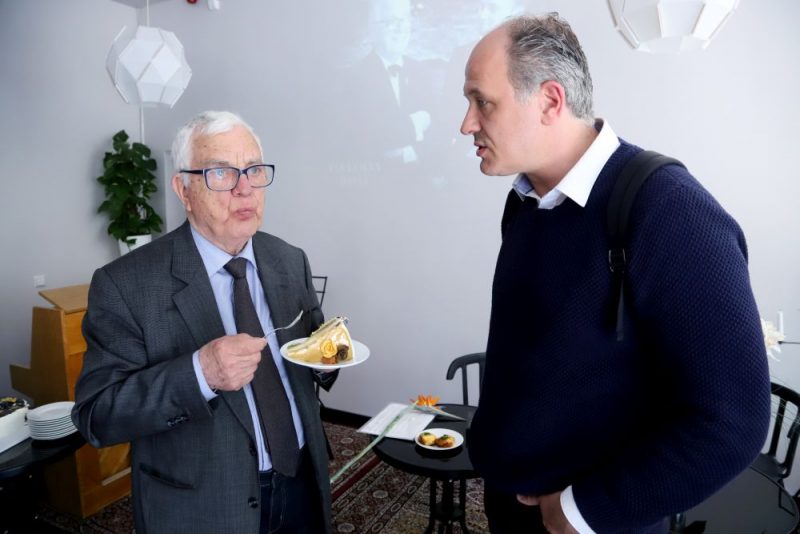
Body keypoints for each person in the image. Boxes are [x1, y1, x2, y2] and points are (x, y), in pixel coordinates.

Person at [460, 13, 771, 534]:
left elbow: (732, 423)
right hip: (509, 500)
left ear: (550, 101)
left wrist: (584, 510)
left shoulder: (671, 212)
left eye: (482, 102)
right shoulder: (525, 202)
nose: (467, 123)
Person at [72, 111, 337, 534]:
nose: (244, 188)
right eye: (221, 173)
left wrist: (329, 356)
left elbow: (311, 347)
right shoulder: (125, 285)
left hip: (302, 480)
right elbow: (97, 416)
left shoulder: (289, 260)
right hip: (204, 508)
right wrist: (200, 374)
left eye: (253, 170)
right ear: (184, 189)